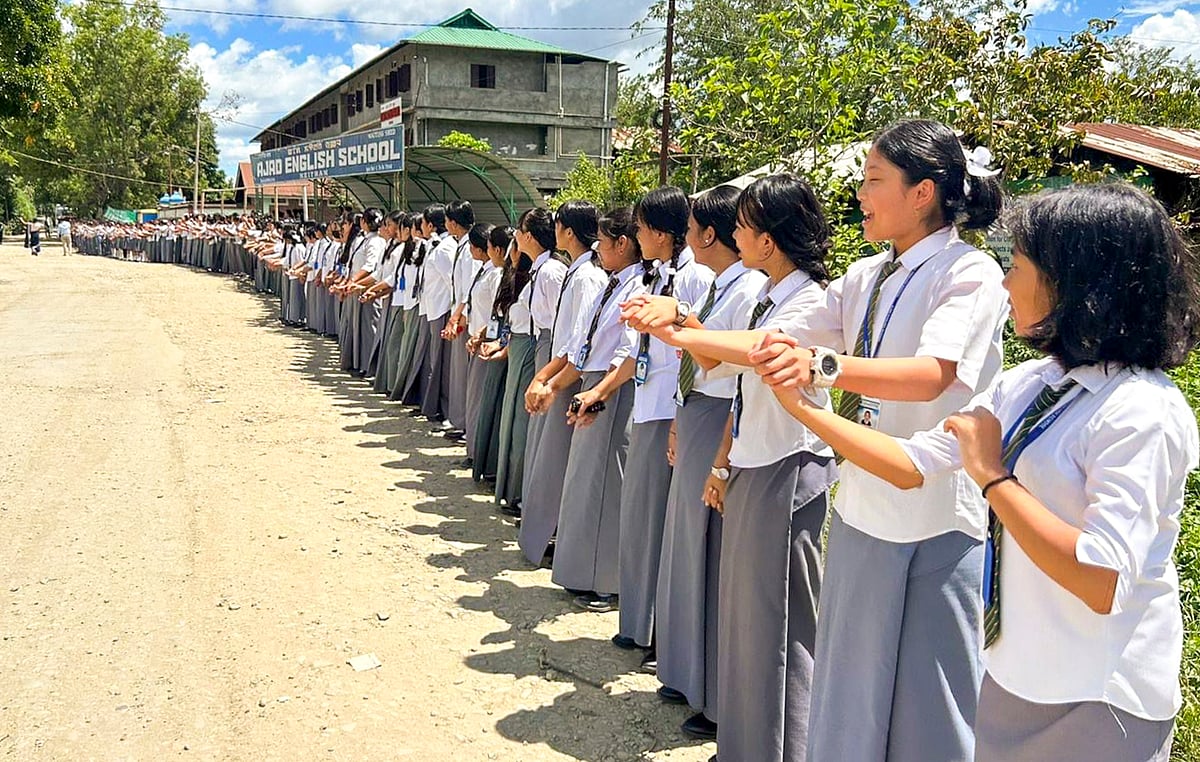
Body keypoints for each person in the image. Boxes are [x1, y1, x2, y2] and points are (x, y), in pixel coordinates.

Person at [755, 182, 1200, 762]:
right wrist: (803, 409)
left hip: (1096, 694)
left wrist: (993, 477)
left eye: (1018, 267)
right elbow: (912, 465)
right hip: (1016, 673)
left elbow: (1102, 579)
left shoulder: (1141, 411)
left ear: (1078, 283)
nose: (1006, 283)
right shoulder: (1034, 384)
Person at [749, 120, 1010, 762]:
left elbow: (933, 375)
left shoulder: (968, 272)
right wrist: (683, 332)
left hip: (931, 514)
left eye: (873, 181)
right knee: (851, 688)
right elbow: (778, 341)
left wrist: (823, 368)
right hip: (864, 500)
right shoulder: (869, 275)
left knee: (932, 702)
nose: (859, 194)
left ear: (922, 193)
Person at [634, 174, 836, 762]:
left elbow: (758, 353)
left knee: (778, 622)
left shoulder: (811, 300)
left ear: (768, 240)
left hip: (788, 463)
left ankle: (783, 746)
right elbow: (724, 372)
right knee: (749, 618)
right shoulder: (766, 295)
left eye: (743, 226)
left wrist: (678, 318)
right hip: (753, 457)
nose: (734, 236)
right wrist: (722, 464)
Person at [620, 184, 768, 741]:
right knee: (688, 545)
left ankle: (710, 688)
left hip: (721, 415)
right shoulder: (720, 283)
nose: (684, 238)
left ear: (709, 234)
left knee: (707, 550)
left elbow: (716, 358)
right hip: (698, 410)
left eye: (689, 229)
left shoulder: (745, 287)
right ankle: (687, 671)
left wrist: (675, 321)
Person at [613, 186, 714, 667]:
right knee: (641, 518)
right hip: (648, 401)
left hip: (671, 409)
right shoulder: (655, 276)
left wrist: (676, 415)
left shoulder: (695, 279)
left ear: (660, 232)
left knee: (660, 523)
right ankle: (638, 622)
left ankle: (657, 630)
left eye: (641, 228)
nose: (636, 236)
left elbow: (697, 353)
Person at [550, 206, 646, 611]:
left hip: (612, 388)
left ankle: (607, 581)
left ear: (623, 244)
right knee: (587, 483)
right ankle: (584, 571)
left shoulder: (638, 286)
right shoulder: (613, 282)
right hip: (594, 381)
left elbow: (627, 349)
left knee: (607, 486)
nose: (598, 250)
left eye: (603, 243)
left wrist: (600, 392)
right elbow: (584, 339)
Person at [521, 200, 606, 567]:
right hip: (561, 370)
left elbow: (579, 339)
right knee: (550, 456)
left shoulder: (587, 277)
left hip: (570, 375)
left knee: (557, 460)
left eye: (558, 225)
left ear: (569, 231)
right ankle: (546, 534)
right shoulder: (577, 271)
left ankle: (552, 536)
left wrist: (552, 381)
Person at [494, 208, 563, 515]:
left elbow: (559, 320)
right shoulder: (539, 268)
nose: (517, 237)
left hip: (546, 345)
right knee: (523, 423)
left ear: (530, 237)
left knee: (531, 424)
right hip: (537, 343)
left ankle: (526, 494)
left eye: (520, 231)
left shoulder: (551, 271)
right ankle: (517, 490)